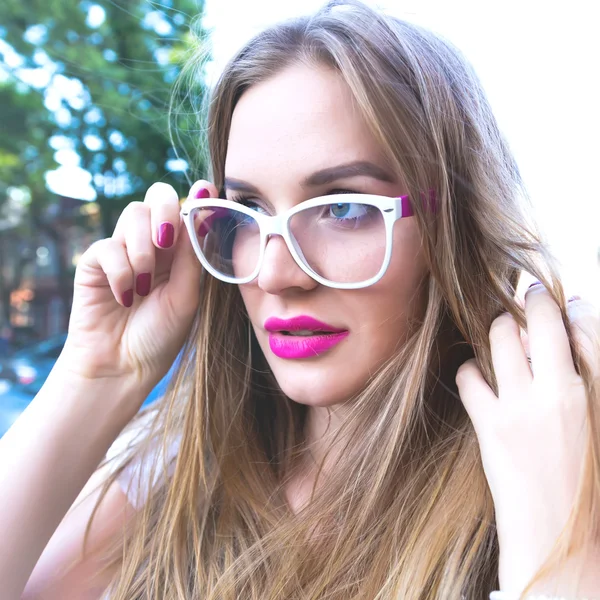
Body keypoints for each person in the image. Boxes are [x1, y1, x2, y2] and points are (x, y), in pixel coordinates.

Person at [1, 1, 599, 598]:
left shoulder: (556, 473)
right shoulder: (178, 466)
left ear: (455, 225)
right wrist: (98, 377)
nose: (276, 274)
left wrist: (562, 561)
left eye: (343, 208)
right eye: (251, 213)